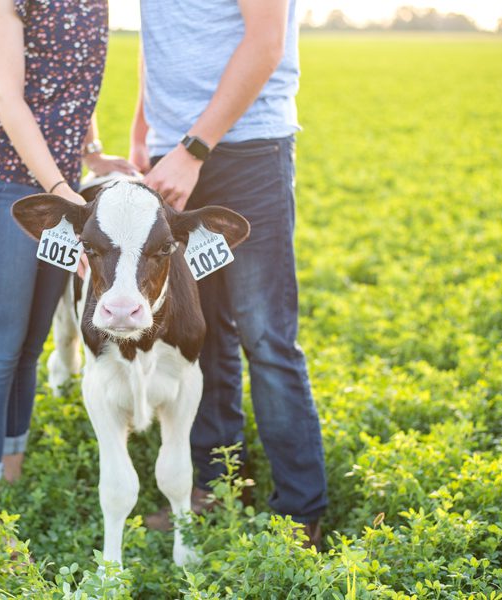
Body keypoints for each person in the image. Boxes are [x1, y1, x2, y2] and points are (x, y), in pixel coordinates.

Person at [132, 0, 328, 548]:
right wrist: (143, 135)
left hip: (245, 155)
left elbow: (265, 45)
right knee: (198, 333)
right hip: (172, 156)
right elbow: (159, 47)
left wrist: (194, 149)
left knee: (265, 336)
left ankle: (299, 512)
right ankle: (218, 490)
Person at [0, 0, 134, 507]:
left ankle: (11, 478)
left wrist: (91, 150)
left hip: (58, 188)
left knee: (30, 347)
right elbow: (7, 98)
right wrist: (61, 189)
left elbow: (74, 86)